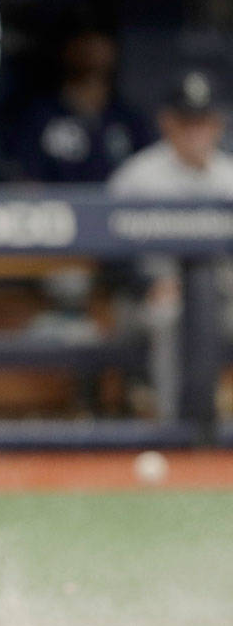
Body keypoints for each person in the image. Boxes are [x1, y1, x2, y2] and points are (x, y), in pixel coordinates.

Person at [108, 69, 233, 421]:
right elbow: (107, 252)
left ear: (217, 123)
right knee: (173, 317)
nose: (195, 130)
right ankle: (175, 428)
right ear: (167, 122)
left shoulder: (230, 176)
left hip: (223, 292)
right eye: (186, 120)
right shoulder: (137, 178)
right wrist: (145, 285)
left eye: (202, 120)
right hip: (155, 295)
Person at [9, 28, 151, 184]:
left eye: (100, 41)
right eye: (85, 41)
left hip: (119, 204)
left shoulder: (128, 119)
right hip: (59, 205)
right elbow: (26, 182)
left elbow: (149, 176)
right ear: (68, 50)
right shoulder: (41, 116)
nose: (94, 50)